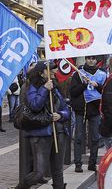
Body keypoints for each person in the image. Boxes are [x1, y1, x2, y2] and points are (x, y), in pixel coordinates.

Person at [16, 61, 71, 189]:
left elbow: (65, 109)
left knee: (57, 170)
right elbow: (35, 105)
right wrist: (45, 89)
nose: (53, 71)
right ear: (41, 72)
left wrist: (61, 115)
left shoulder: (55, 86)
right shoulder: (31, 86)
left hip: (58, 132)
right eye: (49, 69)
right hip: (41, 134)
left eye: (53, 69)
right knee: (38, 173)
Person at [69, 55, 107, 172]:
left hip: (95, 110)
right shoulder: (78, 73)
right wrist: (84, 84)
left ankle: (92, 163)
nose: (91, 60)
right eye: (89, 58)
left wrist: (98, 86)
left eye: (93, 58)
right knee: (79, 137)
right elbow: (73, 92)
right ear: (85, 60)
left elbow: (106, 92)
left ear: (97, 60)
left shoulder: (102, 74)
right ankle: (78, 164)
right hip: (81, 110)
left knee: (95, 138)